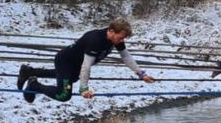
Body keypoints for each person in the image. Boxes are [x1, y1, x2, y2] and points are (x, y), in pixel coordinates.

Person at [17, 18, 154, 103]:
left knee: (70, 78)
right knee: (63, 95)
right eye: (121, 37)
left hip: (74, 65)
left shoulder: (114, 39)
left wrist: (142, 74)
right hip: (65, 61)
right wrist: (84, 89)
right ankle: (35, 85)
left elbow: (126, 57)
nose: (122, 41)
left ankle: (29, 72)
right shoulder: (95, 40)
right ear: (111, 31)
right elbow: (86, 65)